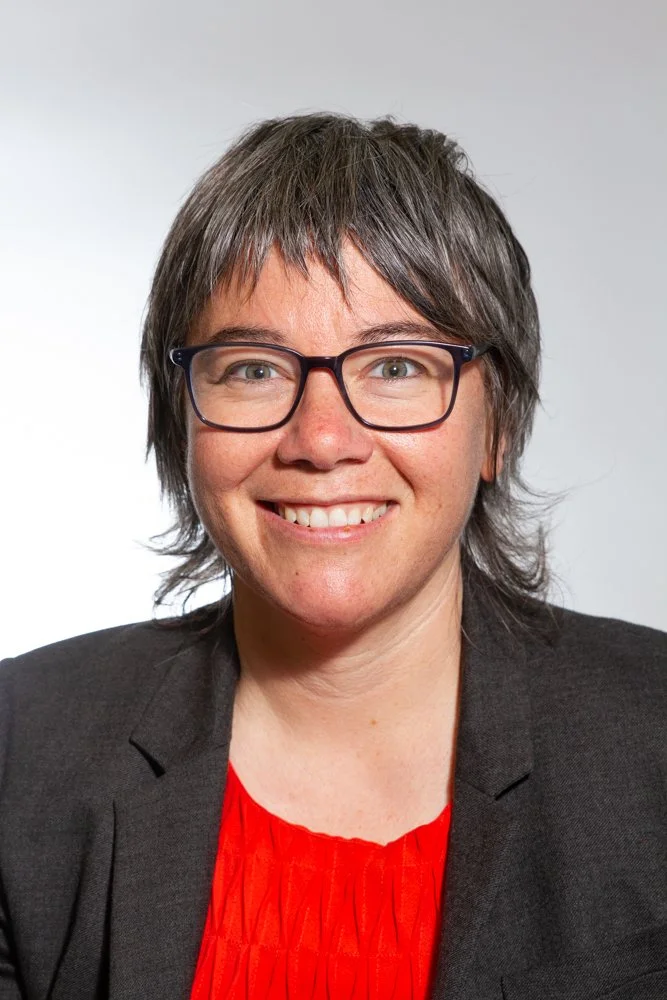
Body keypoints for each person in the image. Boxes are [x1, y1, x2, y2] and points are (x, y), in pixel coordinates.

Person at [1, 113, 665, 1000]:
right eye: (252, 369)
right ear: (181, 419)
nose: (320, 439)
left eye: (395, 366)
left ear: (495, 422)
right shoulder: (20, 747)